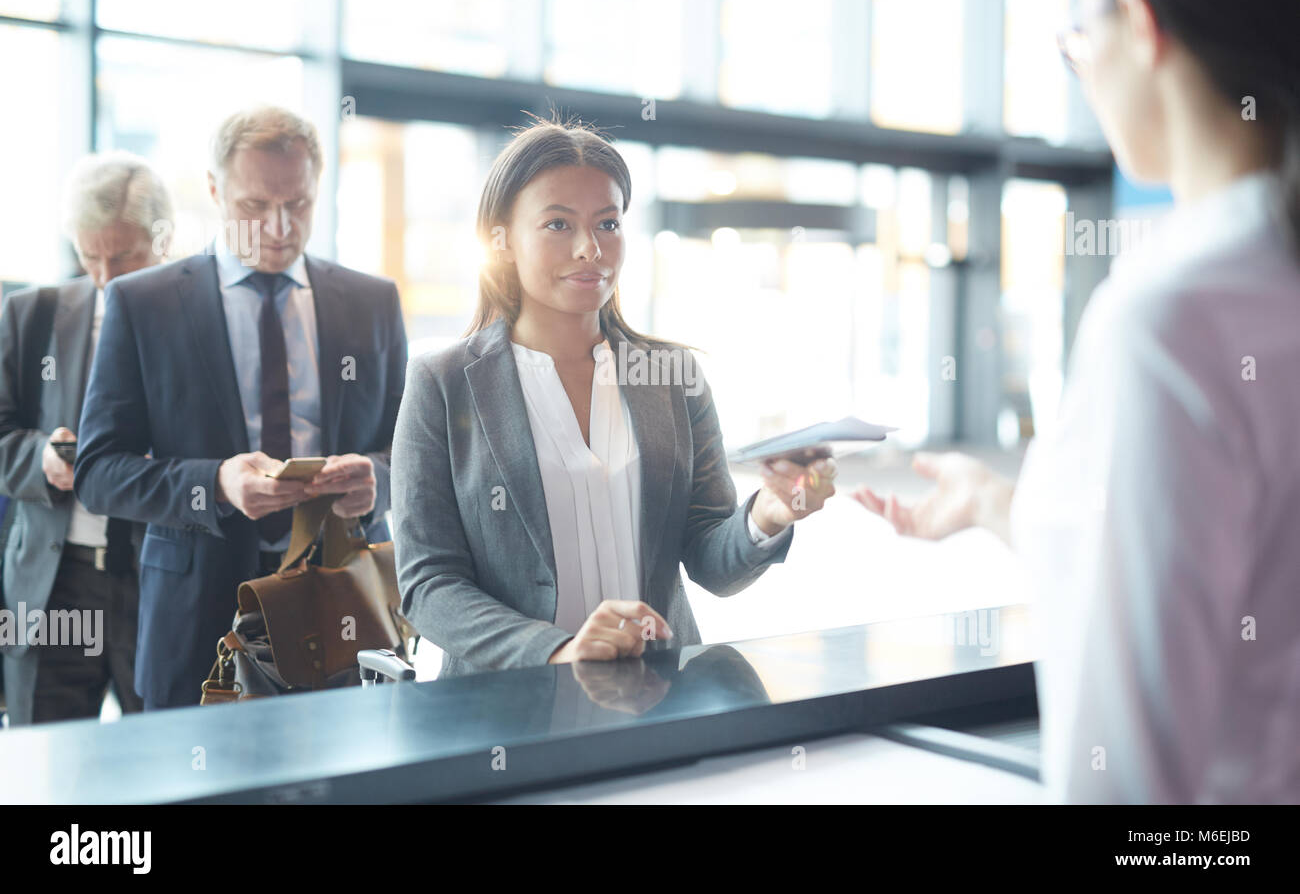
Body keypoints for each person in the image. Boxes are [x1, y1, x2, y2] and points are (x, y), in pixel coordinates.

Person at [853, 0, 1300, 803]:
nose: (1083, 77)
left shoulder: (1173, 316)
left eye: (1075, 43)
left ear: (1140, 26)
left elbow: (1130, 782)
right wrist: (999, 504)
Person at [391, 119, 834, 677]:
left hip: (660, 700)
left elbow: (711, 562)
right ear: (501, 240)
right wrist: (557, 649)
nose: (590, 249)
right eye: (557, 224)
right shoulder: (442, 383)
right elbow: (429, 585)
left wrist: (766, 515)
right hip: (507, 710)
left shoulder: (671, 375)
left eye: (608, 223)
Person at [74, 106, 408, 709]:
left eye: (299, 204)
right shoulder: (143, 304)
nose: (279, 227)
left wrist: (377, 481)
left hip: (344, 609)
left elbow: (410, 449)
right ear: (213, 191)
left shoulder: (372, 301)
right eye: (255, 206)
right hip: (198, 616)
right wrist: (216, 483)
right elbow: (97, 473)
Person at [0, 152, 169, 724]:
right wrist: (40, 457)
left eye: (122, 256)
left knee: (167, 763)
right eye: (88, 254)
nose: (103, 275)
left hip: (157, 578)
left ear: (162, 241)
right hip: (54, 582)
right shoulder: (30, 315)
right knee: (41, 770)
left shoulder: (198, 324)